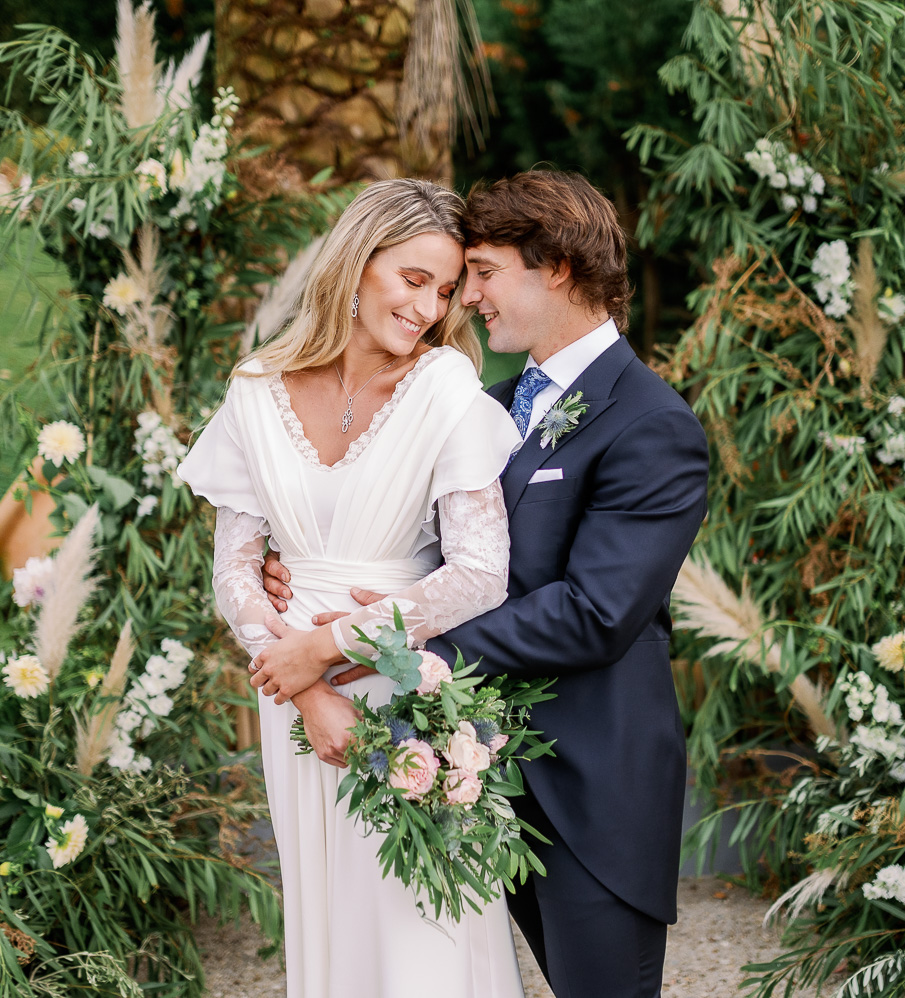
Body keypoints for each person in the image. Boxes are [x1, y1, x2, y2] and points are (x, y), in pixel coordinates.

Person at [259, 171, 710, 998]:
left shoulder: (653, 424)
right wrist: (290, 566)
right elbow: (425, 542)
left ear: (559, 267)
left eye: (485, 272)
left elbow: (595, 613)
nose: (465, 299)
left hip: (589, 788)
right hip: (473, 773)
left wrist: (405, 646)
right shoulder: (492, 405)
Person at [176, 178, 526, 998]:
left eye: (445, 291)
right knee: (332, 928)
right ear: (355, 263)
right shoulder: (256, 389)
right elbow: (234, 570)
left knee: (422, 932)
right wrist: (302, 688)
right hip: (294, 699)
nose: (429, 308)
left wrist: (334, 647)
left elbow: (481, 571)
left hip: (403, 683)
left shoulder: (445, 388)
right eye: (412, 279)